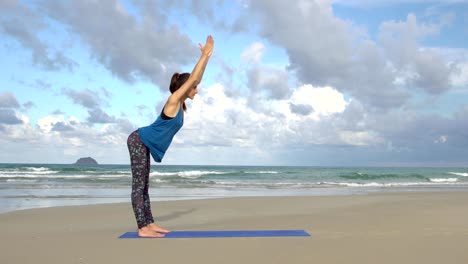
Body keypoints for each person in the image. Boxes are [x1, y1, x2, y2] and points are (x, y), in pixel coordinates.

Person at [127, 35, 214, 238]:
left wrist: (206, 58)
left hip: (144, 143)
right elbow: (193, 78)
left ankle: (149, 223)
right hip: (138, 140)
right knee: (139, 185)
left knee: (144, 184)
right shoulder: (174, 100)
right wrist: (205, 55)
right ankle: (142, 228)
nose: (197, 90)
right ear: (185, 88)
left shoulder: (181, 105)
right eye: (194, 88)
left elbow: (195, 78)